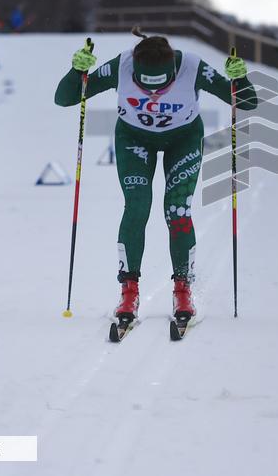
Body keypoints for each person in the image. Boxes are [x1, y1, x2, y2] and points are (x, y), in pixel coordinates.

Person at [53, 30, 257, 325]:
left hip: (182, 140)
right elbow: (65, 98)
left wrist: (240, 79)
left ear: (173, 69)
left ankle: (183, 288)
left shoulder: (192, 66)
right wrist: (78, 70)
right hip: (134, 140)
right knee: (136, 207)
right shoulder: (121, 65)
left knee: (177, 210)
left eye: (163, 85)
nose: (153, 94)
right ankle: (128, 290)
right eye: (144, 85)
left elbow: (246, 102)